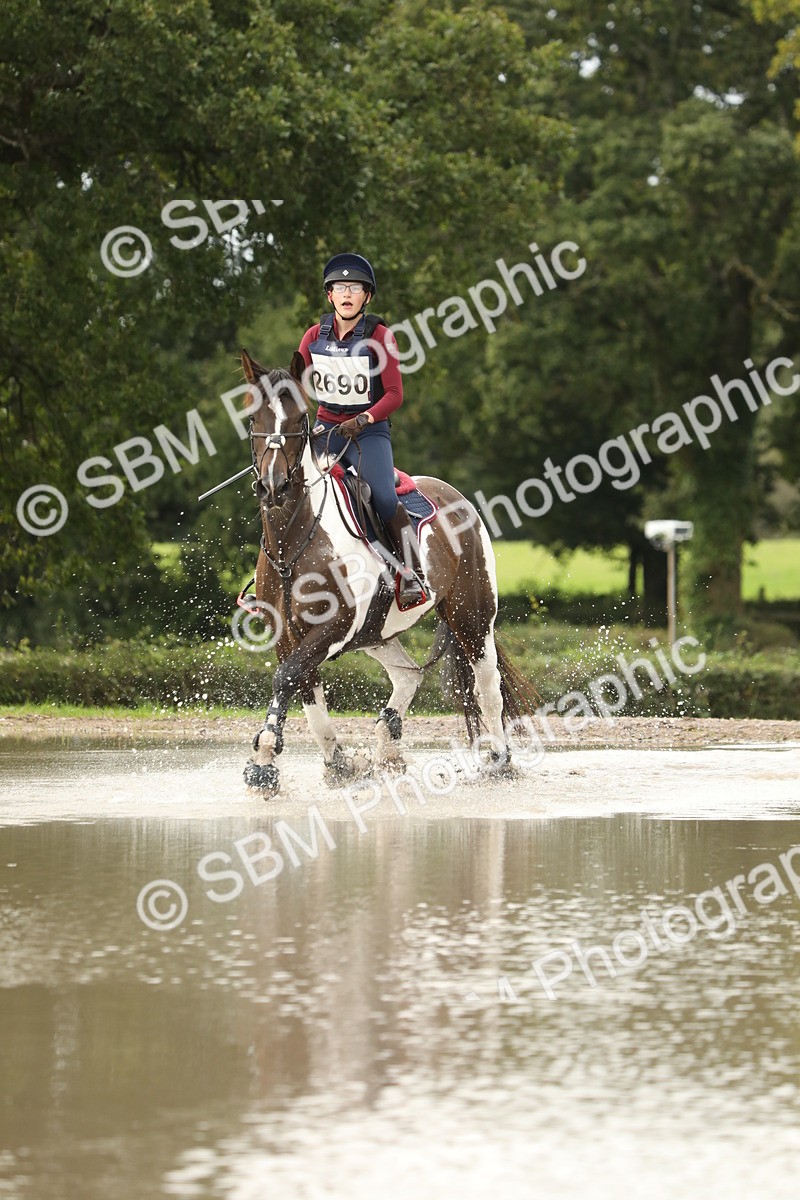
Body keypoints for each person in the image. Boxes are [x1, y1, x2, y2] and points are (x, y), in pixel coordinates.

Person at [297, 252, 428, 609]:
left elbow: (395, 394)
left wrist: (365, 419)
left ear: (366, 296)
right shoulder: (313, 336)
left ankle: (411, 572)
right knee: (287, 487)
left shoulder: (381, 336)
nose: (347, 294)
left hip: (366, 433)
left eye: (355, 288)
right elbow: (297, 386)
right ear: (330, 296)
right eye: (340, 288)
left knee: (383, 496)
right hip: (325, 430)